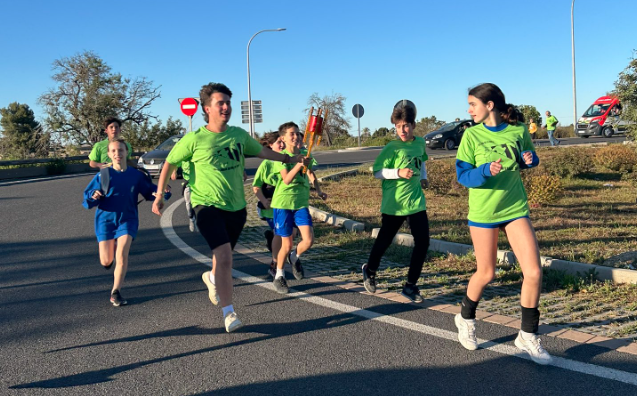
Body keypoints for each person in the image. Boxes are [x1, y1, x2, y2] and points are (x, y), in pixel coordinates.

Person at [151, 82, 306, 333]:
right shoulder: (194, 139)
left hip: (236, 208)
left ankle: (211, 278)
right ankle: (229, 312)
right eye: (220, 103)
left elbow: (264, 153)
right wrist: (159, 194)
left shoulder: (238, 135)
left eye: (228, 103)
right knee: (224, 257)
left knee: (220, 259)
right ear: (207, 108)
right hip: (206, 205)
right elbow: (169, 162)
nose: (226, 107)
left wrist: (289, 158)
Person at [454, 83, 551, 365]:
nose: (469, 110)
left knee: (533, 271)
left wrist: (529, 160)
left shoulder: (518, 131)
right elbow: (464, 176)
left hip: (514, 208)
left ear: (490, 105)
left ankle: (527, 336)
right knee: (486, 273)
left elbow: (526, 158)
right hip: (484, 212)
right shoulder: (471, 136)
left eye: (473, 104)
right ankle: (465, 318)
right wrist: (484, 170)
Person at [83, 138, 168, 306]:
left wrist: (162, 193)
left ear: (126, 152)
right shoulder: (103, 175)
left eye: (120, 150)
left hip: (127, 220)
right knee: (106, 260)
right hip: (105, 221)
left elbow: (150, 192)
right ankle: (108, 259)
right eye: (113, 151)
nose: (117, 154)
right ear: (108, 154)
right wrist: (94, 196)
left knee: (121, 254)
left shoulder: (136, 175)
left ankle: (116, 292)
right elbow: (87, 198)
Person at [361, 104, 430, 303]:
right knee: (385, 240)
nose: (402, 130)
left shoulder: (420, 143)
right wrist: (398, 173)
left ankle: (410, 285)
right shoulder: (392, 147)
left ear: (413, 125)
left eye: (406, 125)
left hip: (416, 201)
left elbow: (422, 161)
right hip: (395, 203)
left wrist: (423, 177)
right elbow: (377, 172)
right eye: (398, 126)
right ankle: (370, 269)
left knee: (423, 242)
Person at [270, 122, 327, 294]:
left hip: (300, 204)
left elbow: (310, 173)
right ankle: (279, 275)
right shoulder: (280, 157)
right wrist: (298, 163)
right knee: (286, 244)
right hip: (283, 205)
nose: (295, 137)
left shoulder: (304, 153)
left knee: (308, 240)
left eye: (297, 133)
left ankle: (294, 257)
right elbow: (286, 179)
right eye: (291, 134)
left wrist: (318, 190)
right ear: (283, 138)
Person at [253, 132, 286, 276]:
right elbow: (256, 186)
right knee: (280, 234)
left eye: (283, 141)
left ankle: (271, 240)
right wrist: (263, 200)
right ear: (271, 145)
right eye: (279, 142)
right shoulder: (266, 164)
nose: (282, 145)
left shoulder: (288, 161)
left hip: (286, 205)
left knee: (291, 233)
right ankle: (275, 264)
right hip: (270, 208)